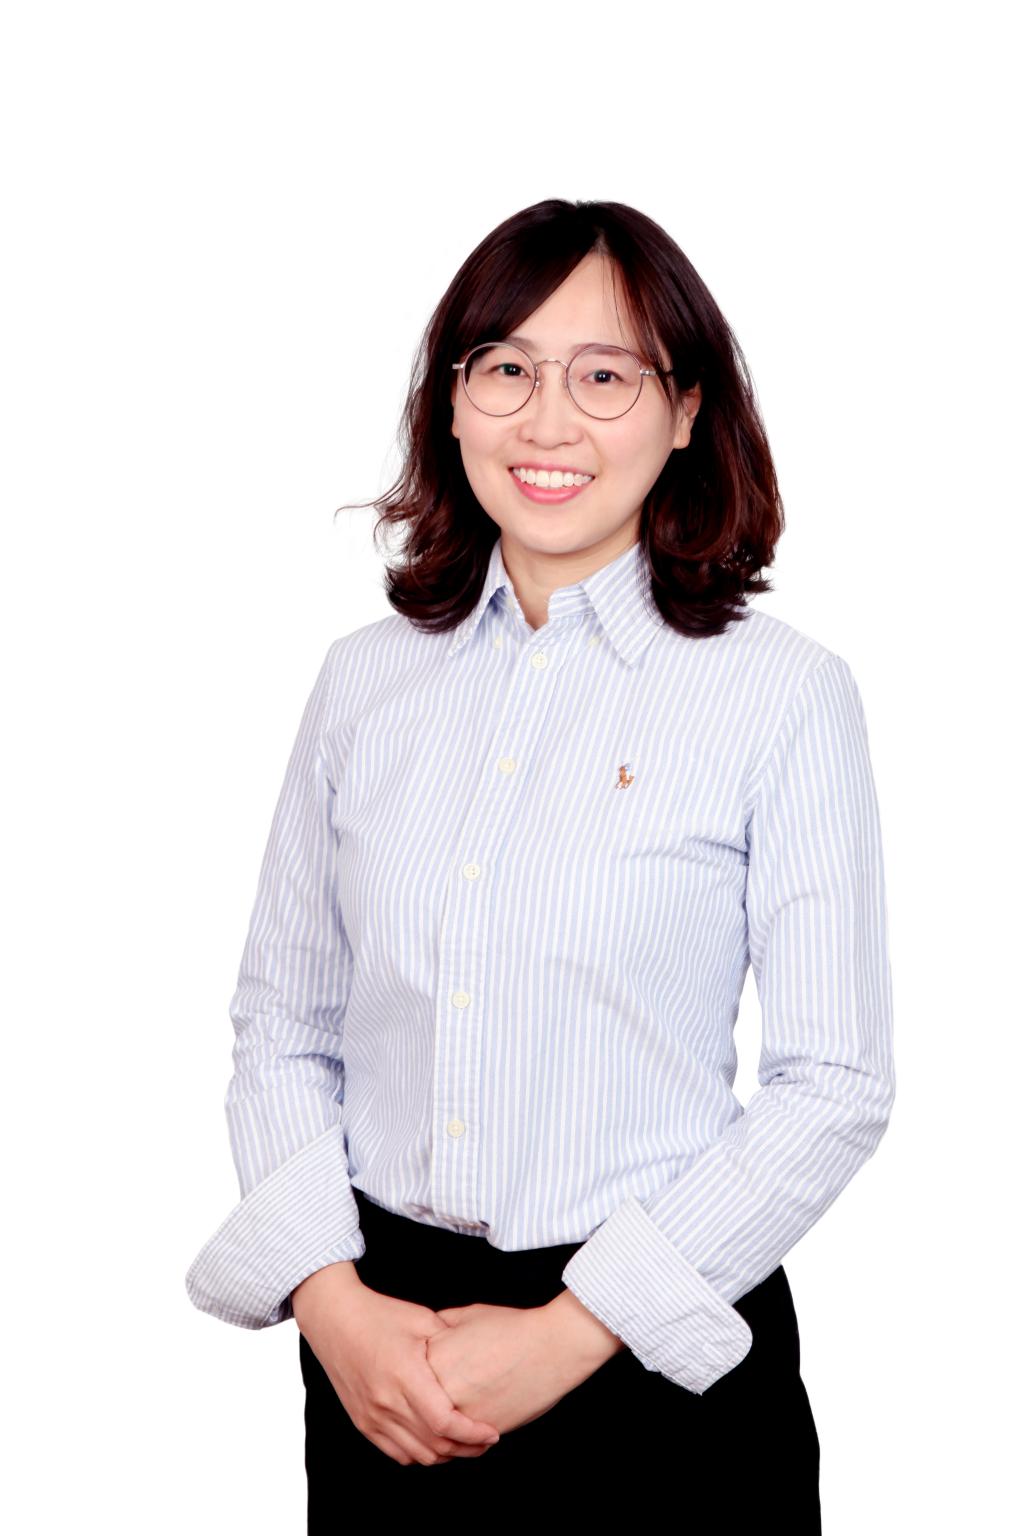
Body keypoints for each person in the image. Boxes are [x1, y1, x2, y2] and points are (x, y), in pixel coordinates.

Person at [184, 199, 895, 1530]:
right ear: (452, 404)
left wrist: (571, 1333)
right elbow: (285, 1025)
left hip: (658, 1366)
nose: (548, 421)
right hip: (384, 1364)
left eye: (605, 376)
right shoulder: (363, 685)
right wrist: (331, 1305)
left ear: (685, 412)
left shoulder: (781, 695)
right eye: (506, 368)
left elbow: (833, 1084)